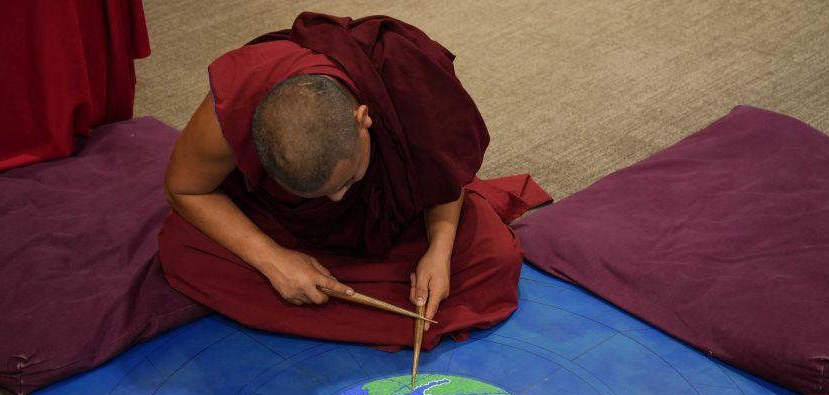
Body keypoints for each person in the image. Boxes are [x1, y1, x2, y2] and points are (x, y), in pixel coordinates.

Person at [160, 12, 550, 350]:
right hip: (286, 231)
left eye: (345, 182)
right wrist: (272, 260)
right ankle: (323, 289)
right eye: (320, 192)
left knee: (494, 260)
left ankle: (327, 304)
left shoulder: (401, 68)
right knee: (182, 250)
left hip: (400, 223)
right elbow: (185, 188)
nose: (337, 200)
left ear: (364, 120)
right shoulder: (235, 103)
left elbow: (442, 173)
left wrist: (438, 252)